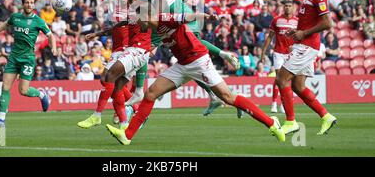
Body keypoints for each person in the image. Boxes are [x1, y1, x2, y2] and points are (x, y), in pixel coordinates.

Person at [106, 11, 285, 145]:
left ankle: (271, 123)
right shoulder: (152, 31)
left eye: (141, 22)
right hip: (182, 65)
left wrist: (206, 16)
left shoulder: (165, 18)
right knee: (151, 93)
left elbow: (189, 16)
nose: (140, 26)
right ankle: (127, 135)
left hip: (199, 60)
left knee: (227, 97)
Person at [138, 0, 240, 116]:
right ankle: (214, 92)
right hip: (167, 18)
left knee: (188, 48)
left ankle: (138, 95)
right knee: (189, 58)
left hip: (175, 15)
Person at [276, 0, 337, 136]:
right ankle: (326, 116)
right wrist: (297, 31)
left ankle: (290, 122)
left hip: (306, 45)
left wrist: (304, 34)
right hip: (305, 43)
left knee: (281, 80)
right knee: (298, 86)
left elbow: (327, 23)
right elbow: (311, 21)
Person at [77, 0, 151, 130]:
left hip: (131, 50)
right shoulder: (126, 13)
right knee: (116, 86)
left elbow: (147, 26)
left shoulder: (143, 11)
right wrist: (97, 34)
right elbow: (118, 26)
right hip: (124, 50)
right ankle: (125, 122)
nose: (125, 1)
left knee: (108, 77)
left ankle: (97, 116)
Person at [0, 0, 57, 128]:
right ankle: (1, 119)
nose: (29, 5)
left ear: (34, 4)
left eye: (31, 2)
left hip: (27, 59)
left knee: (23, 91)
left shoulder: (38, 21)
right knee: (5, 87)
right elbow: (6, 25)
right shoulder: (15, 17)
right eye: (27, 2)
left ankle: (41, 94)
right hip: (13, 57)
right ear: (23, 4)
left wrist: (53, 47)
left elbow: (50, 35)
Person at [261, 0, 298, 113]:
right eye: (286, 6)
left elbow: (301, 37)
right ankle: (274, 103)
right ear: (283, 7)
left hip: (290, 54)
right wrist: (263, 52)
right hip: (278, 52)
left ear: (293, 8)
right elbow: (270, 36)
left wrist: (296, 47)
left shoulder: (297, 21)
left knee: (286, 80)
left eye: (289, 6)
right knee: (279, 78)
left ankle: (282, 103)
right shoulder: (276, 20)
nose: (287, 8)